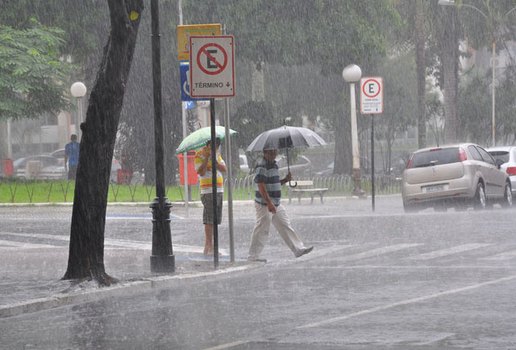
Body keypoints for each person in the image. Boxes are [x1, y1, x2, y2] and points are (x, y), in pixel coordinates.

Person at [248, 148, 313, 262]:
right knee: (262, 228)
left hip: (276, 203)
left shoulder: (274, 165)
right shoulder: (262, 165)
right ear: (265, 153)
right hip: (264, 204)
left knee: (284, 225)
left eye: (274, 152)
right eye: (270, 152)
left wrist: (285, 180)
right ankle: (253, 256)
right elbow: (261, 185)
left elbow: (274, 183)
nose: (273, 154)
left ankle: (298, 248)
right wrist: (269, 203)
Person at [194, 138, 227, 255]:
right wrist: (207, 158)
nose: (215, 148)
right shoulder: (199, 155)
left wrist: (215, 161)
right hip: (208, 191)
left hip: (219, 190)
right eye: (213, 146)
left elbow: (224, 169)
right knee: (209, 219)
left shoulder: (217, 155)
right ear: (207, 145)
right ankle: (209, 245)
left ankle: (211, 246)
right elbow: (201, 172)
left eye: (217, 146)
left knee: (216, 219)